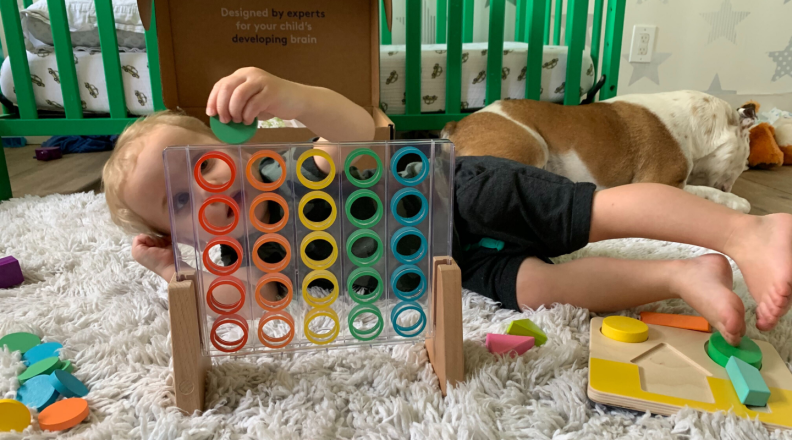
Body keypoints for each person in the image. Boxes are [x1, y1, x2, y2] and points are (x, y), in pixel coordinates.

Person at [103, 67, 792, 346]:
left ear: (223, 146)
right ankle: (681, 276)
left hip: (456, 190)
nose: (208, 193)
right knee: (541, 289)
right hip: (444, 266)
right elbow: (250, 308)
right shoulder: (248, 259)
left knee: (592, 212)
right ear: (181, 232)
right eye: (180, 205)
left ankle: (748, 229)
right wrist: (173, 275)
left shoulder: (294, 171)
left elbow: (357, 131)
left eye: (194, 168)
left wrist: (284, 94)